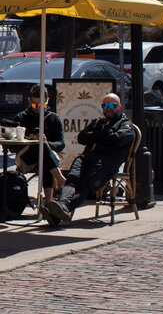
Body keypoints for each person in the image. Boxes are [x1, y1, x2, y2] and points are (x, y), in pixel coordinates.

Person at [43, 93, 135, 226]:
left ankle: (58, 211)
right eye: (105, 105)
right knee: (72, 179)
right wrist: (105, 132)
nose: (108, 108)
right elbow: (82, 138)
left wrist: (97, 135)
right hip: (87, 158)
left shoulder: (125, 124)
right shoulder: (99, 122)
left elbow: (116, 139)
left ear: (119, 107)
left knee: (84, 185)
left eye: (112, 106)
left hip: (106, 161)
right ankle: (61, 206)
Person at [9, 85, 67, 201]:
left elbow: (61, 144)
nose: (38, 108)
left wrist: (46, 143)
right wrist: (28, 141)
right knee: (39, 146)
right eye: (35, 105)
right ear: (29, 101)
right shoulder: (21, 118)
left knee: (44, 153)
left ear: (47, 101)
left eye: (42, 105)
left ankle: (48, 202)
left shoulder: (53, 118)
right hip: (25, 158)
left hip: (47, 158)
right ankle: (60, 182)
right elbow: (11, 147)